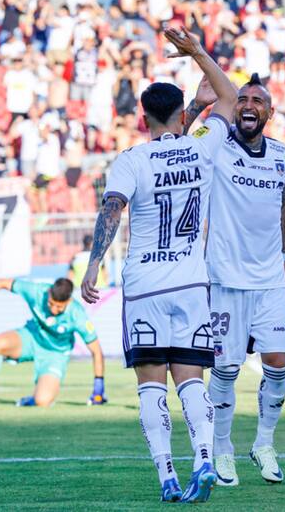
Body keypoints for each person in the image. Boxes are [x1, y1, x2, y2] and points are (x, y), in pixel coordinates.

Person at [80, 28, 236, 504]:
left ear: (141, 116)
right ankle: (205, 458)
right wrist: (196, 55)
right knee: (191, 379)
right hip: (191, 283)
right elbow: (228, 95)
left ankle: (168, 476)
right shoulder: (202, 145)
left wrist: (92, 266)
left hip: (145, 284)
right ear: (183, 114)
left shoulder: (132, 160)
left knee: (151, 384)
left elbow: (112, 209)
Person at [182, 73, 285, 486]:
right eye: (242, 99)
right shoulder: (216, 148)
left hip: (269, 280)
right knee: (226, 369)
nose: (248, 105)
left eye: (257, 100)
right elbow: (176, 143)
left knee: (279, 363)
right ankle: (224, 449)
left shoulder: (282, 155)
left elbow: (283, 206)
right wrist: (198, 105)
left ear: (270, 111)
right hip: (225, 279)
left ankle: (264, 443)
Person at [0, 277, 106, 408]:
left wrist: (98, 387)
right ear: (48, 292)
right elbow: (3, 283)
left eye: (59, 307)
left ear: (69, 301)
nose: (53, 310)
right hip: (31, 338)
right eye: (51, 304)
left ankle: (32, 399)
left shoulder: (77, 314)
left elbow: (96, 351)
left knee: (42, 401)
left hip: (56, 354)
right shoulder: (36, 291)